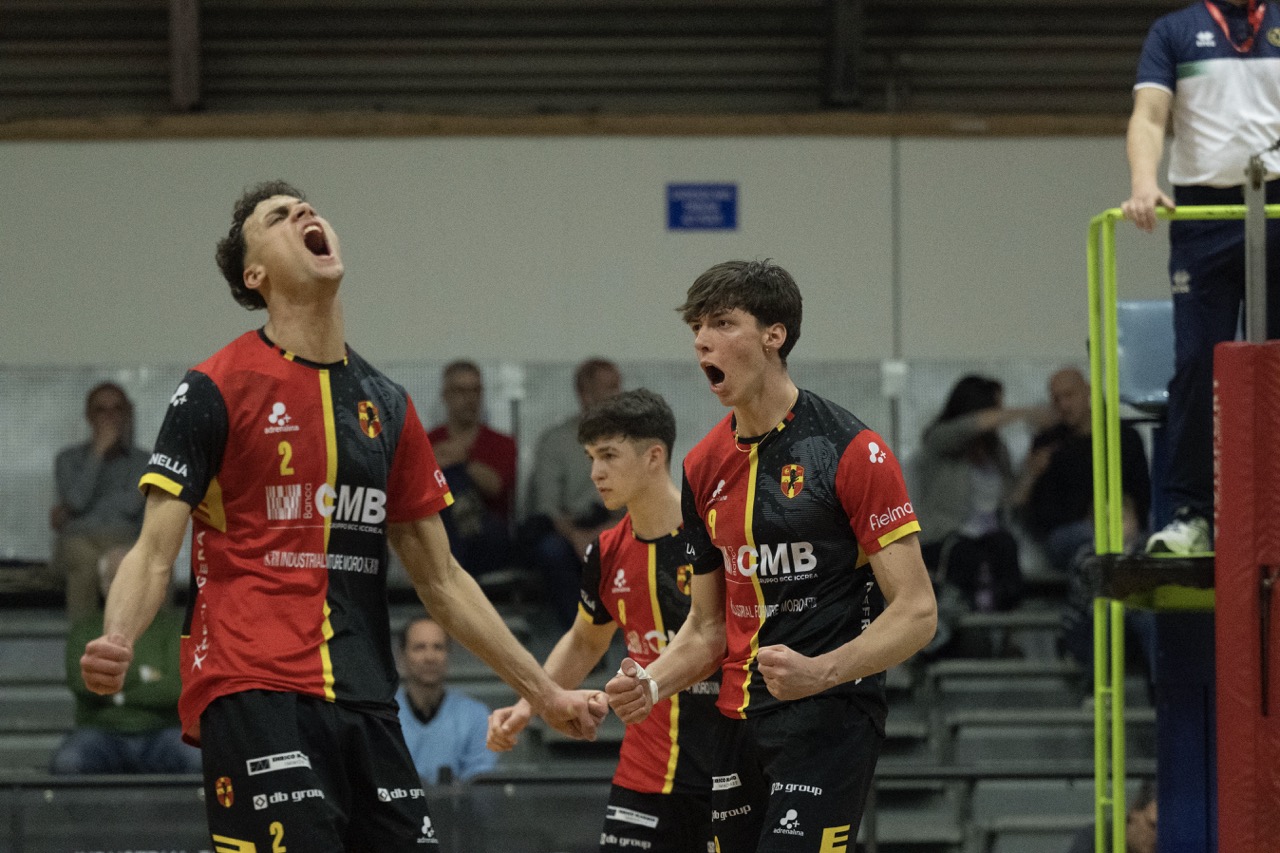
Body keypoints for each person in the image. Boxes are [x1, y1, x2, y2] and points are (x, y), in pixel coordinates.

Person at [79, 180, 604, 853]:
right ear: (255, 275)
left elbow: (443, 579)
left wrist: (546, 693)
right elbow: (154, 551)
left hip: (365, 696)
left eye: (305, 207)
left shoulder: (387, 404)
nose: (303, 211)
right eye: (277, 216)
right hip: (255, 688)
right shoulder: (214, 387)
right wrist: (119, 635)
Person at [606, 260, 937, 852]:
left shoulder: (851, 450)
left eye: (722, 323)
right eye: (696, 328)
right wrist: (651, 684)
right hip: (736, 722)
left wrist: (821, 671)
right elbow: (706, 627)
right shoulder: (701, 466)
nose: (702, 340)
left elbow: (917, 612)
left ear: (773, 335)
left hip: (831, 716)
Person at [489, 388, 722, 853]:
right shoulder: (606, 550)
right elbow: (584, 642)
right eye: (591, 457)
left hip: (726, 768)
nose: (595, 472)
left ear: (654, 456)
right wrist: (529, 704)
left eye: (609, 455)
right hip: (644, 773)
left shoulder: (716, 536)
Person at [1121, 0, 1280, 555]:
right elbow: (1149, 116)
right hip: (1204, 216)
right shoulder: (1175, 31)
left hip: (1278, 207)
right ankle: (1192, 515)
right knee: (1196, 364)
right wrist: (1144, 184)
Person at [51, 545, 202, 775]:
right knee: (68, 763)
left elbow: (176, 689)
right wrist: (146, 676)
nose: (125, 587)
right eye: (116, 579)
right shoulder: (84, 630)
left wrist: (117, 688)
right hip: (101, 733)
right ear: (103, 585)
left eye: (133, 579)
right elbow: (82, 685)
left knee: (201, 762)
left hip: (164, 731)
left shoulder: (174, 628)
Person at [912, 375, 1044, 613]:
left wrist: (1032, 472)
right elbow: (969, 426)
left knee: (1006, 547)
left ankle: (1005, 619)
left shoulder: (997, 451)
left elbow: (1011, 500)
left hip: (990, 537)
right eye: (996, 407)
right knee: (966, 556)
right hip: (948, 537)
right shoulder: (940, 440)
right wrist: (1027, 413)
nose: (1001, 415)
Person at [1010, 367, 1152, 572]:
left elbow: (1141, 493)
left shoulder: (1123, 437)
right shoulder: (1048, 443)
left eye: (1069, 395)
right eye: (1056, 399)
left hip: (1122, 525)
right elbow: (1039, 512)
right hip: (1071, 532)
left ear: (1087, 391)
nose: (1063, 405)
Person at [522, 357, 625, 628]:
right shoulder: (556, 441)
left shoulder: (632, 442)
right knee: (552, 551)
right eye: (609, 388)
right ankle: (578, 634)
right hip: (567, 530)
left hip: (615, 527)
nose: (618, 395)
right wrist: (578, 537)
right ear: (585, 393)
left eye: (618, 386)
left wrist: (603, 532)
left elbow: (644, 501)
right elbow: (547, 506)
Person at [50, 382, 149, 620]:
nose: (109, 417)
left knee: (131, 561)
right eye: (101, 410)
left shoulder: (143, 460)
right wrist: (97, 454)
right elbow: (77, 502)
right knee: (84, 562)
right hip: (79, 540)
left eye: (117, 409)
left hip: (124, 538)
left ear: (126, 414)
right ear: (89, 416)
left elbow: (130, 506)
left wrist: (69, 512)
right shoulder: (68, 459)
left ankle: (137, 639)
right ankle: (82, 638)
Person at [427, 360, 518, 577]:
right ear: (446, 395)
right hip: (440, 534)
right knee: (450, 481)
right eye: (461, 391)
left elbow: (496, 487)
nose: (470, 399)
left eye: (475, 390)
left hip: (488, 539)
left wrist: (463, 461)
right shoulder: (428, 442)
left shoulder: (502, 443)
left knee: (453, 476)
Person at [396, 615, 497, 784]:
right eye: (419, 647)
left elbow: (480, 785)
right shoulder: (382, 717)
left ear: (448, 654)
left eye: (438, 647)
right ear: (402, 656)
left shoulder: (476, 716)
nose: (430, 657)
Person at [1065, 779, 1157, 853]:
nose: (1159, 836)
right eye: (1153, 826)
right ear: (1134, 813)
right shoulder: (1098, 838)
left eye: (1164, 830)